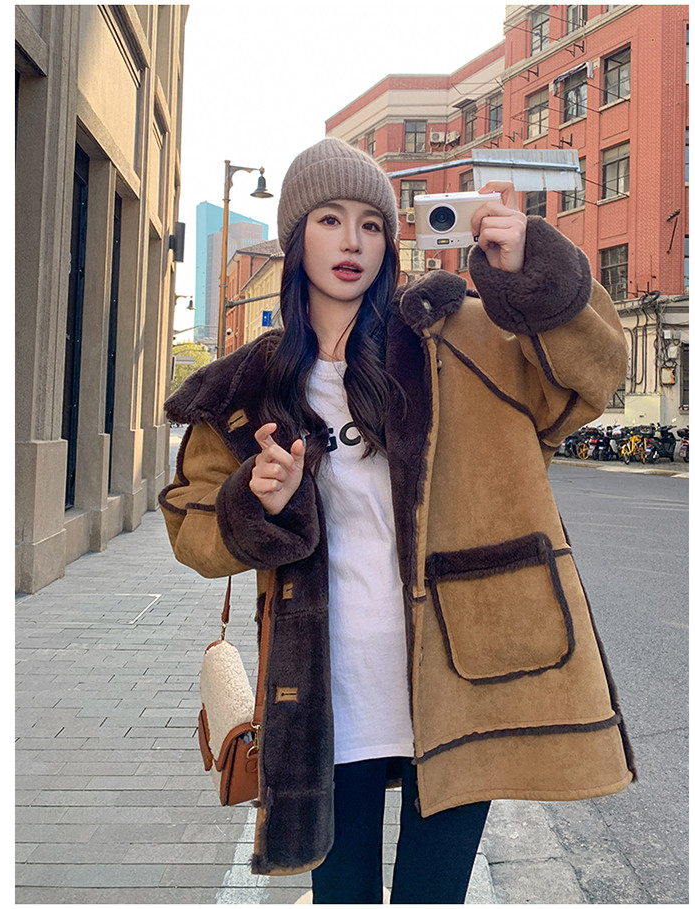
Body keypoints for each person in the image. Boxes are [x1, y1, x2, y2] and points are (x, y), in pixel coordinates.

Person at [160, 137, 636, 904]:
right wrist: (256, 501)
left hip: (460, 683)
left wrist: (531, 274)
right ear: (296, 241)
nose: (352, 241)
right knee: (342, 896)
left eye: (371, 224)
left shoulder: (462, 340)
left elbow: (591, 380)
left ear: (390, 240)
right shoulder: (251, 387)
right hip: (327, 691)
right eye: (329, 220)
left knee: (433, 895)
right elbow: (193, 530)